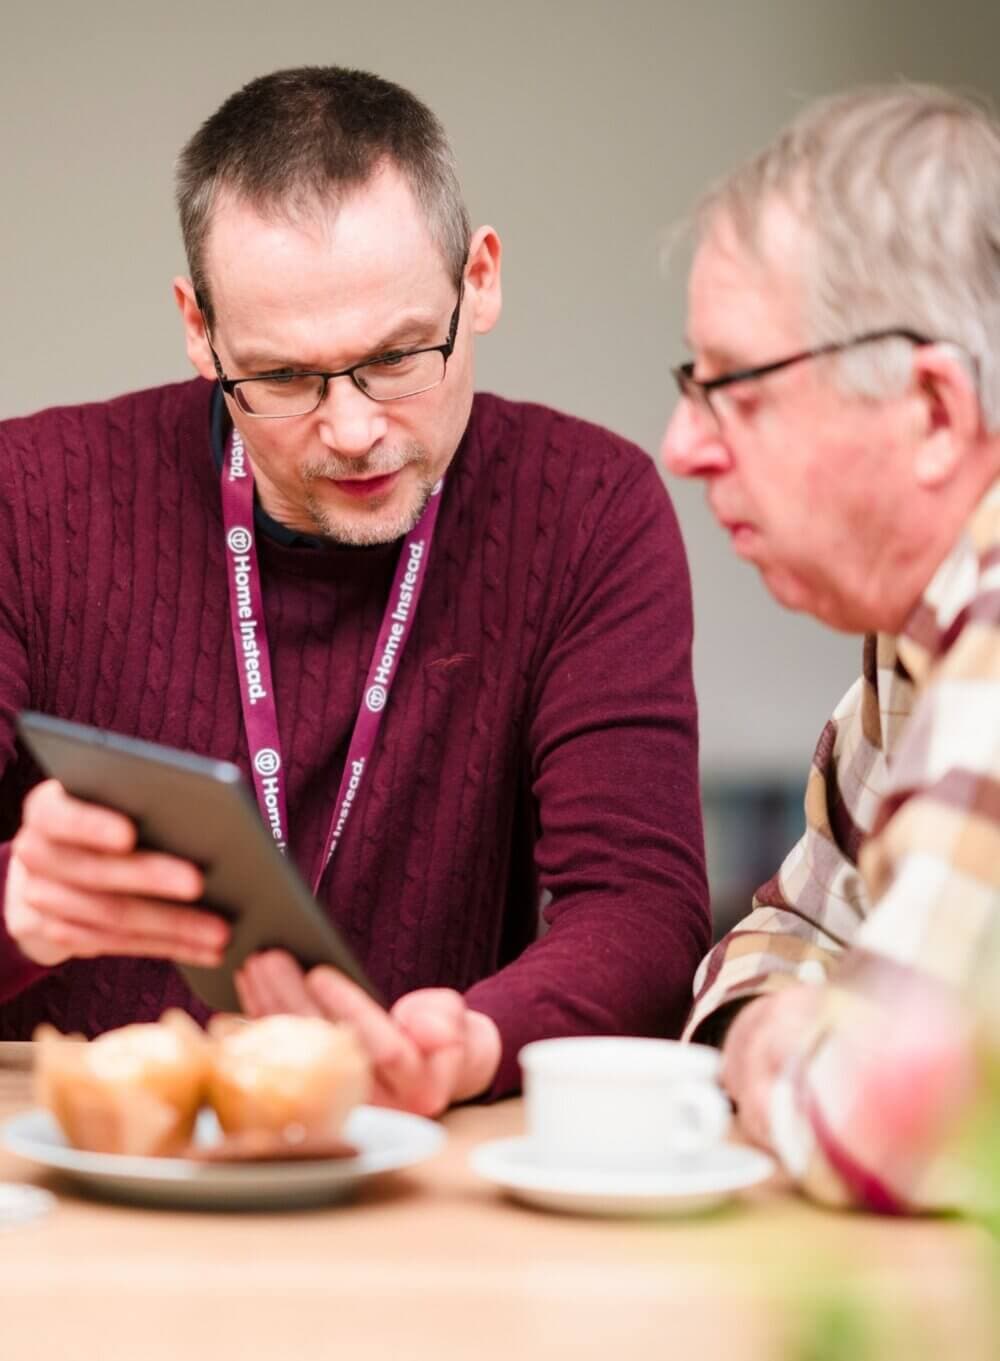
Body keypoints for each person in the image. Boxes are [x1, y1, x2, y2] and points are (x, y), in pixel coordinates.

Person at [0, 66, 709, 1116]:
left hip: (420, 1162)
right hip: (88, 1161)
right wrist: (20, 906)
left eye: (396, 358)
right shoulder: (28, 494)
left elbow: (642, 910)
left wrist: (476, 1037)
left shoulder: (587, 508)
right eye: (283, 378)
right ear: (199, 329)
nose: (351, 429)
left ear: (482, 278)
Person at [662, 84, 1000, 1212]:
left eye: (734, 387)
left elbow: (869, 1121)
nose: (680, 446)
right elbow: (782, 930)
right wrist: (786, 1020)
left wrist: (777, 1049)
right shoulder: (915, 635)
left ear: (934, 413)